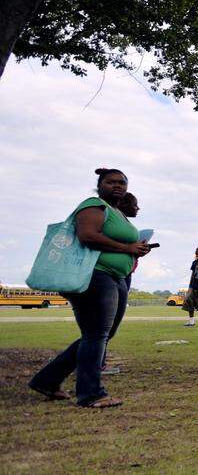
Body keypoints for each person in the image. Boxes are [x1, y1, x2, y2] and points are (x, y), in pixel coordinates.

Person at [29, 168, 150, 408]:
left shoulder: (117, 212)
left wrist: (136, 248)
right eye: (111, 182)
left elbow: (119, 242)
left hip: (116, 276)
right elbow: (87, 236)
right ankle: (90, 393)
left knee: (101, 335)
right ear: (100, 185)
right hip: (96, 276)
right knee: (96, 334)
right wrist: (127, 249)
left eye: (122, 183)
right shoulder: (94, 205)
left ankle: (47, 380)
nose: (117, 186)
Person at [102, 191, 141, 376]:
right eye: (135, 205)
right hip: (107, 275)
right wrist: (129, 248)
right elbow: (89, 237)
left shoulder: (122, 221)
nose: (138, 208)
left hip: (121, 274)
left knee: (105, 329)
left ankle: (98, 362)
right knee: (101, 328)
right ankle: (96, 365)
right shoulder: (106, 215)